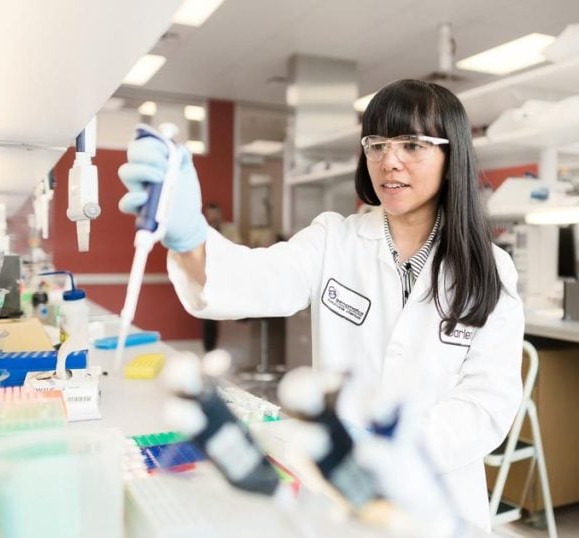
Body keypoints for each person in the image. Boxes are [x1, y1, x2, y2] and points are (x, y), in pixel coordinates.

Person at [117, 79, 524, 530]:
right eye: (376, 144)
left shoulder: (491, 268)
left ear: (452, 158)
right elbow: (255, 280)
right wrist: (189, 235)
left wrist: (389, 450)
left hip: (436, 501)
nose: (389, 160)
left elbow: (487, 404)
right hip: (339, 500)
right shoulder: (334, 238)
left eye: (412, 144)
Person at [201, 202, 223, 351]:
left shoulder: (229, 231)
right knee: (208, 316)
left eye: (216, 214)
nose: (214, 217)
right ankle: (210, 349)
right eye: (211, 214)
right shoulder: (201, 232)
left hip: (226, 279)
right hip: (207, 279)